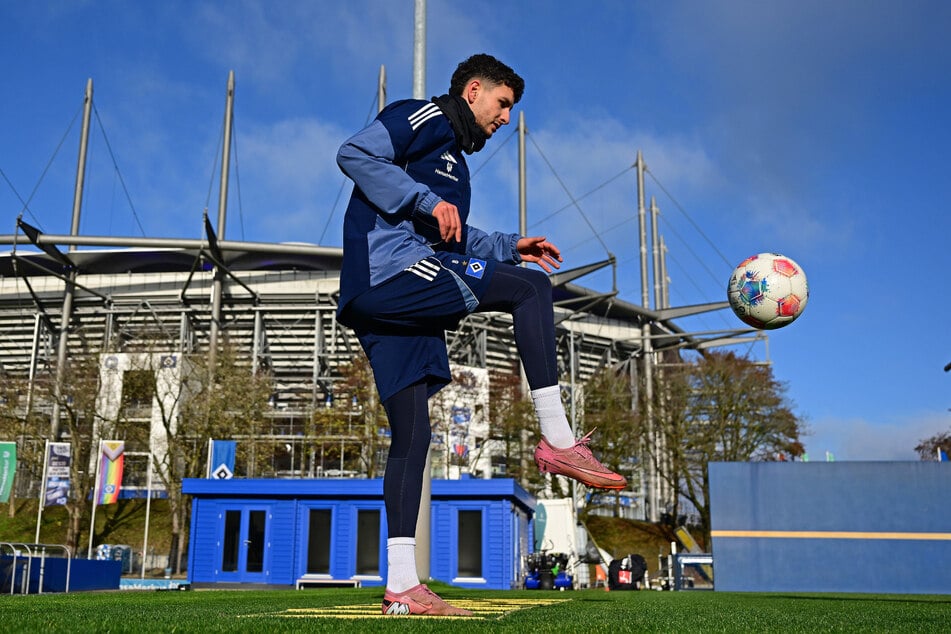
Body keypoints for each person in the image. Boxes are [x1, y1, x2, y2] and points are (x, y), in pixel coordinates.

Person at [336, 53, 626, 617]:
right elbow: (353, 153)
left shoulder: (456, 167)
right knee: (531, 290)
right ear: (474, 91)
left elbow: (450, 234)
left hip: (394, 301)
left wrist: (509, 245)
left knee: (413, 436)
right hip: (390, 272)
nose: (506, 118)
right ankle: (558, 440)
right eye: (503, 104)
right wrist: (425, 200)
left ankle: (402, 587)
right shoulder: (424, 118)